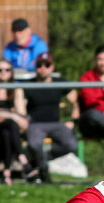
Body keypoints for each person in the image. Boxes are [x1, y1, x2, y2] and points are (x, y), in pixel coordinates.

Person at [22, 52, 78, 183]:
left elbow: (76, 101)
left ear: (52, 67)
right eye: (39, 65)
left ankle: (42, 159)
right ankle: (43, 171)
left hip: (56, 124)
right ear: (35, 67)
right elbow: (20, 106)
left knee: (71, 145)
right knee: (35, 144)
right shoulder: (28, 85)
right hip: (35, 124)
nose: (43, 68)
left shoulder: (60, 83)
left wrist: (73, 121)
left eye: (46, 65)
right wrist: (23, 122)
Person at [0, 60, 31, 184]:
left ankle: (6, 173)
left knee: (8, 131)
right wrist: (13, 115)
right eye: (0, 70)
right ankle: (22, 158)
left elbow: (22, 112)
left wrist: (7, 115)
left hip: (9, 127)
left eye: (7, 70)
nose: (3, 72)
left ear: (11, 72)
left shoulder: (16, 87)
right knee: (10, 125)